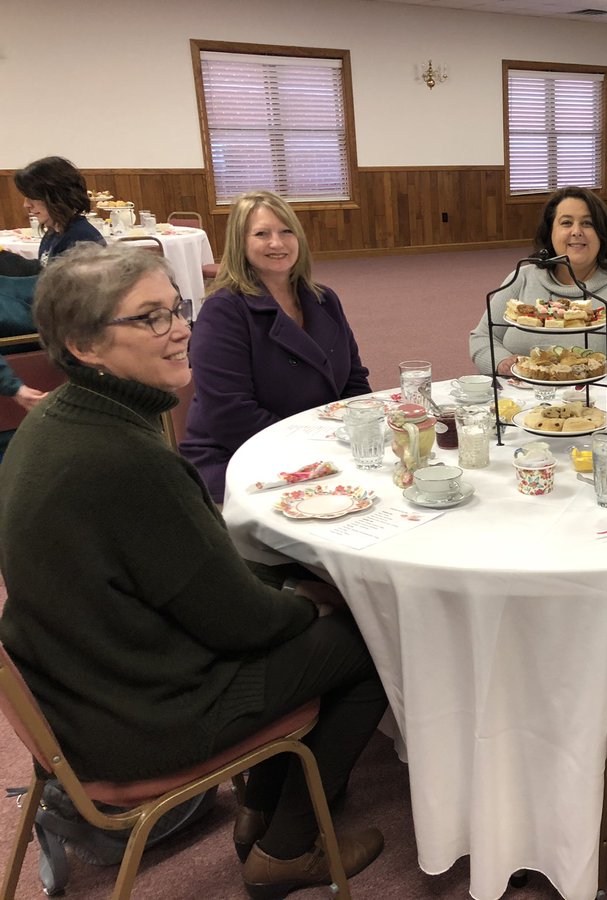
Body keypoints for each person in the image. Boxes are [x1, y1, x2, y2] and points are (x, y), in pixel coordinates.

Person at [0, 243, 388, 897]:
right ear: (83, 344)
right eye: (150, 317)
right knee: (371, 637)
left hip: (80, 687)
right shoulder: (126, 457)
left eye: (175, 308)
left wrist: (285, 595)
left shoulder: (54, 424)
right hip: (141, 715)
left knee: (282, 592)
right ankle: (286, 849)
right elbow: (241, 623)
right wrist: (311, 603)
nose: (181, 327)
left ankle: (260, 813)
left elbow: (191, 582)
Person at [182, 190, 371, 502]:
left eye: (287, 231)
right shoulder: (225, 310)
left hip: (321, 448)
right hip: (242, 455)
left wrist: (361, 433)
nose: (277, 243)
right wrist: (314, 450)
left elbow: (354, 380)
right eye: (261, 234)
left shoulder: (324, 299)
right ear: (239, 243)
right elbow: (230, 414)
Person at [468, 186, 607, 378]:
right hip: (520, 410)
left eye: (587, 223)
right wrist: (504, 363)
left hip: (598, 413)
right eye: (566, 222)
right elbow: (482, 337)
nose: (577, 231)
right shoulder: (522, 278)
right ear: (551, 232)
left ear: (602, 234)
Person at [1, 157, 107, 450]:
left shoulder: (82, 240)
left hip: (61, 332)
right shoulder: (56, 233)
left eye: (32, 198)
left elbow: (72, 302)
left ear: (54, 197)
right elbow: (46, 274)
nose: (26, 206)